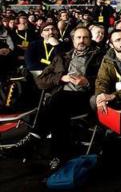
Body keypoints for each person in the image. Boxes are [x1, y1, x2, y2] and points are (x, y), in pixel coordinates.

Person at [1, 27, 103, 170]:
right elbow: (41, 81)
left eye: (85, 37)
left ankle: (33, 141)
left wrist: (87, 82)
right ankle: (59, 154)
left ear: (90, 40)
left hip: (85, 97)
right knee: (59, 109)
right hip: (62, 97)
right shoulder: (62, 57)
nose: (82, 41)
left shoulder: (100, 57)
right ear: (73, 40)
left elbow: (106, 80)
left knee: (56, 102)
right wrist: (61, 78)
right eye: (78, 38)